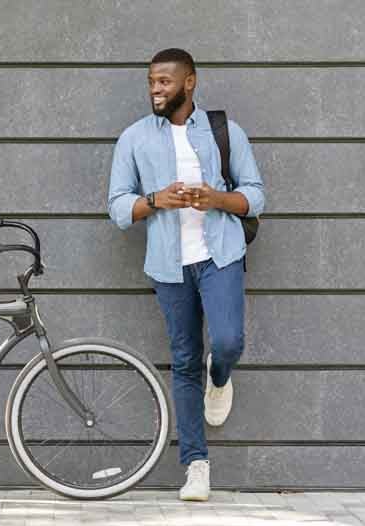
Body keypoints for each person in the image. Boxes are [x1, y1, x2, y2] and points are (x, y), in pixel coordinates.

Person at [107, 48, 266, 501]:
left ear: (190, 82)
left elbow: (255, 196)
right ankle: (196, 466)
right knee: (184, 360)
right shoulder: (135, 138)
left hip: (220, 255)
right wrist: (156, 200)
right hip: (168, 265)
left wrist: (214, 198)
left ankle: (221, 376)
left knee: (228, 342)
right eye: (152, 82)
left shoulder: (224, 132)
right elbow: (118, 207)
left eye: (165, 81)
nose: (156, 89)